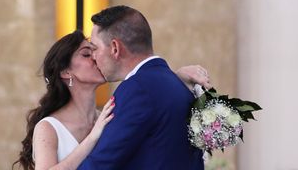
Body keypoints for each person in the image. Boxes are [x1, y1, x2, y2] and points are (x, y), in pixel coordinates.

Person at [13, 30, 210, 170]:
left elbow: (145, 96)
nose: (96, 58)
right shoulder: (48, 127)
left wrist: (175, 77)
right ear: (66, 72)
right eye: (86, 54)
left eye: (95, 52)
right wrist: (92, 138)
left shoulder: (111, 114)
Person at [78, 5, 206, 169]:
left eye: (95, 48)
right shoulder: (177, 85)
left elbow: (102, 162)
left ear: (115, 48)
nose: (93, 57)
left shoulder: (137, 89)